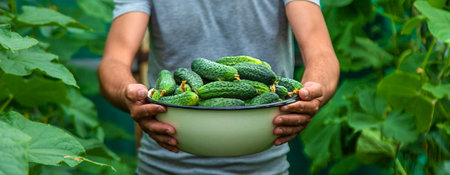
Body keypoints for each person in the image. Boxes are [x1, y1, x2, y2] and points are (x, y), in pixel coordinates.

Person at [98, 0, 339, 174]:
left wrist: (311, 93)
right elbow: (113, 62)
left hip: (264, 165)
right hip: (164, 163)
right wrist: (129, 93)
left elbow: (321, 54)